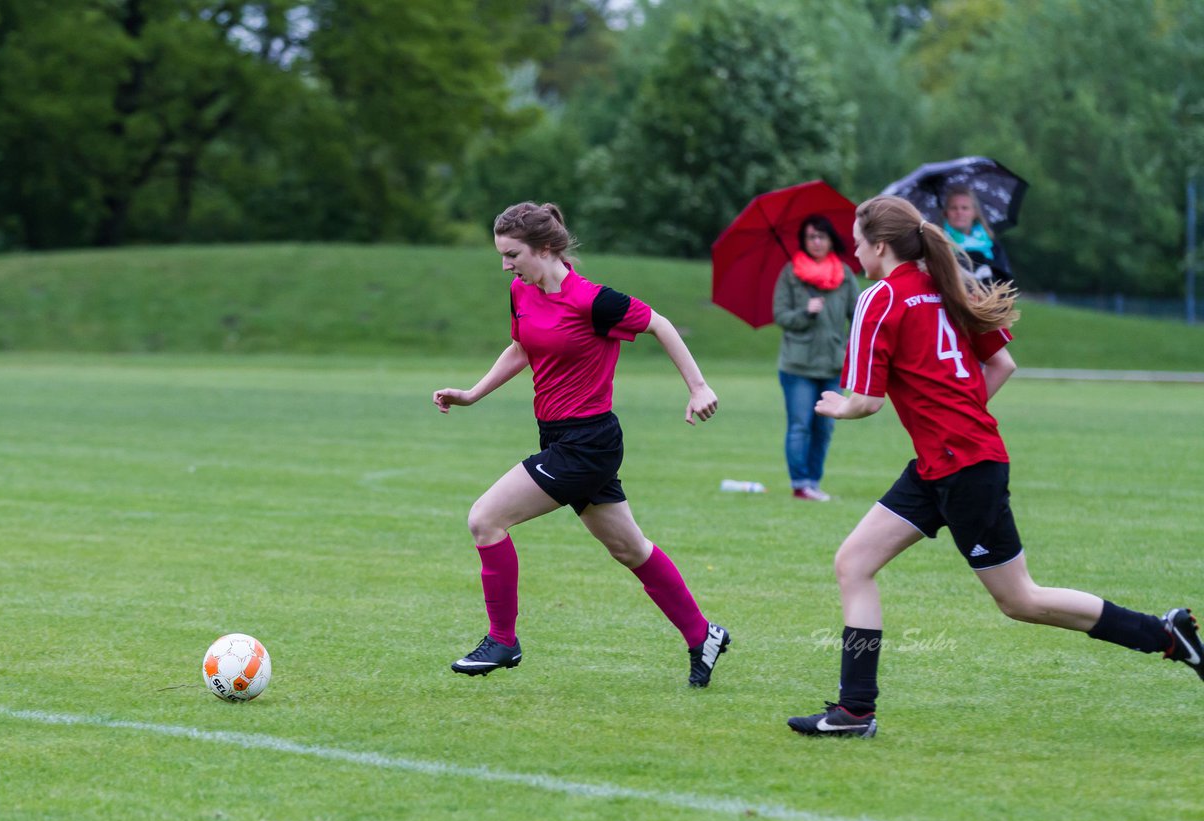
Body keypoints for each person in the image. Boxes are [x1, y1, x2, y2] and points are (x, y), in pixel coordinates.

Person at [787, 195, 1203, 738]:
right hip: (946, 463)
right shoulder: (946, 284)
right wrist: (956, 421)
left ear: (881, 245)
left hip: (962, 468)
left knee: (1020, 600)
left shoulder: (879, 298)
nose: (854, 248)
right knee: (854, 563)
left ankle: (1166, 635)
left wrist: (842, 406)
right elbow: (1001, 363)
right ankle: (854, 710)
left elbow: (865, 401)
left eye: (858, 239)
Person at [432, 201, 730, 687]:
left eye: (512, 254)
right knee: (630, 548)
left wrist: (698, 387)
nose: (506, 265)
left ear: (545, 249)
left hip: (587, 443)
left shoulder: (594, 301)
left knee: (485, 519)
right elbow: (523, 346)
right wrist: (472, 394)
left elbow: (659, 323)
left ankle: (503, 640)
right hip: (558, 436)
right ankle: (703, 635)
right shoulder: (521, 292)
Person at [772, 215, 860, 502]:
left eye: (821, 236)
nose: (817, 242)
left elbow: (858, 315)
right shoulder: (790, 273)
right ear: (804, 241)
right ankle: (800, 484)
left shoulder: (844, 274)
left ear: (831, 239)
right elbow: (781, 316)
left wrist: (851, 347)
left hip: (833, 364)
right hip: (797, 365)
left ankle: (813, 481)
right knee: (800, 425)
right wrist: (805, 312)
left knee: (825, 426)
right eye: (811, 237)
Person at [941, 185, 1011, 284]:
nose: (959, 212)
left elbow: (1006, 281)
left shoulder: (991, 244)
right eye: (953, 208)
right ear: (946, 213)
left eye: (965, 208)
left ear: (974, 212)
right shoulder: (939, 243)